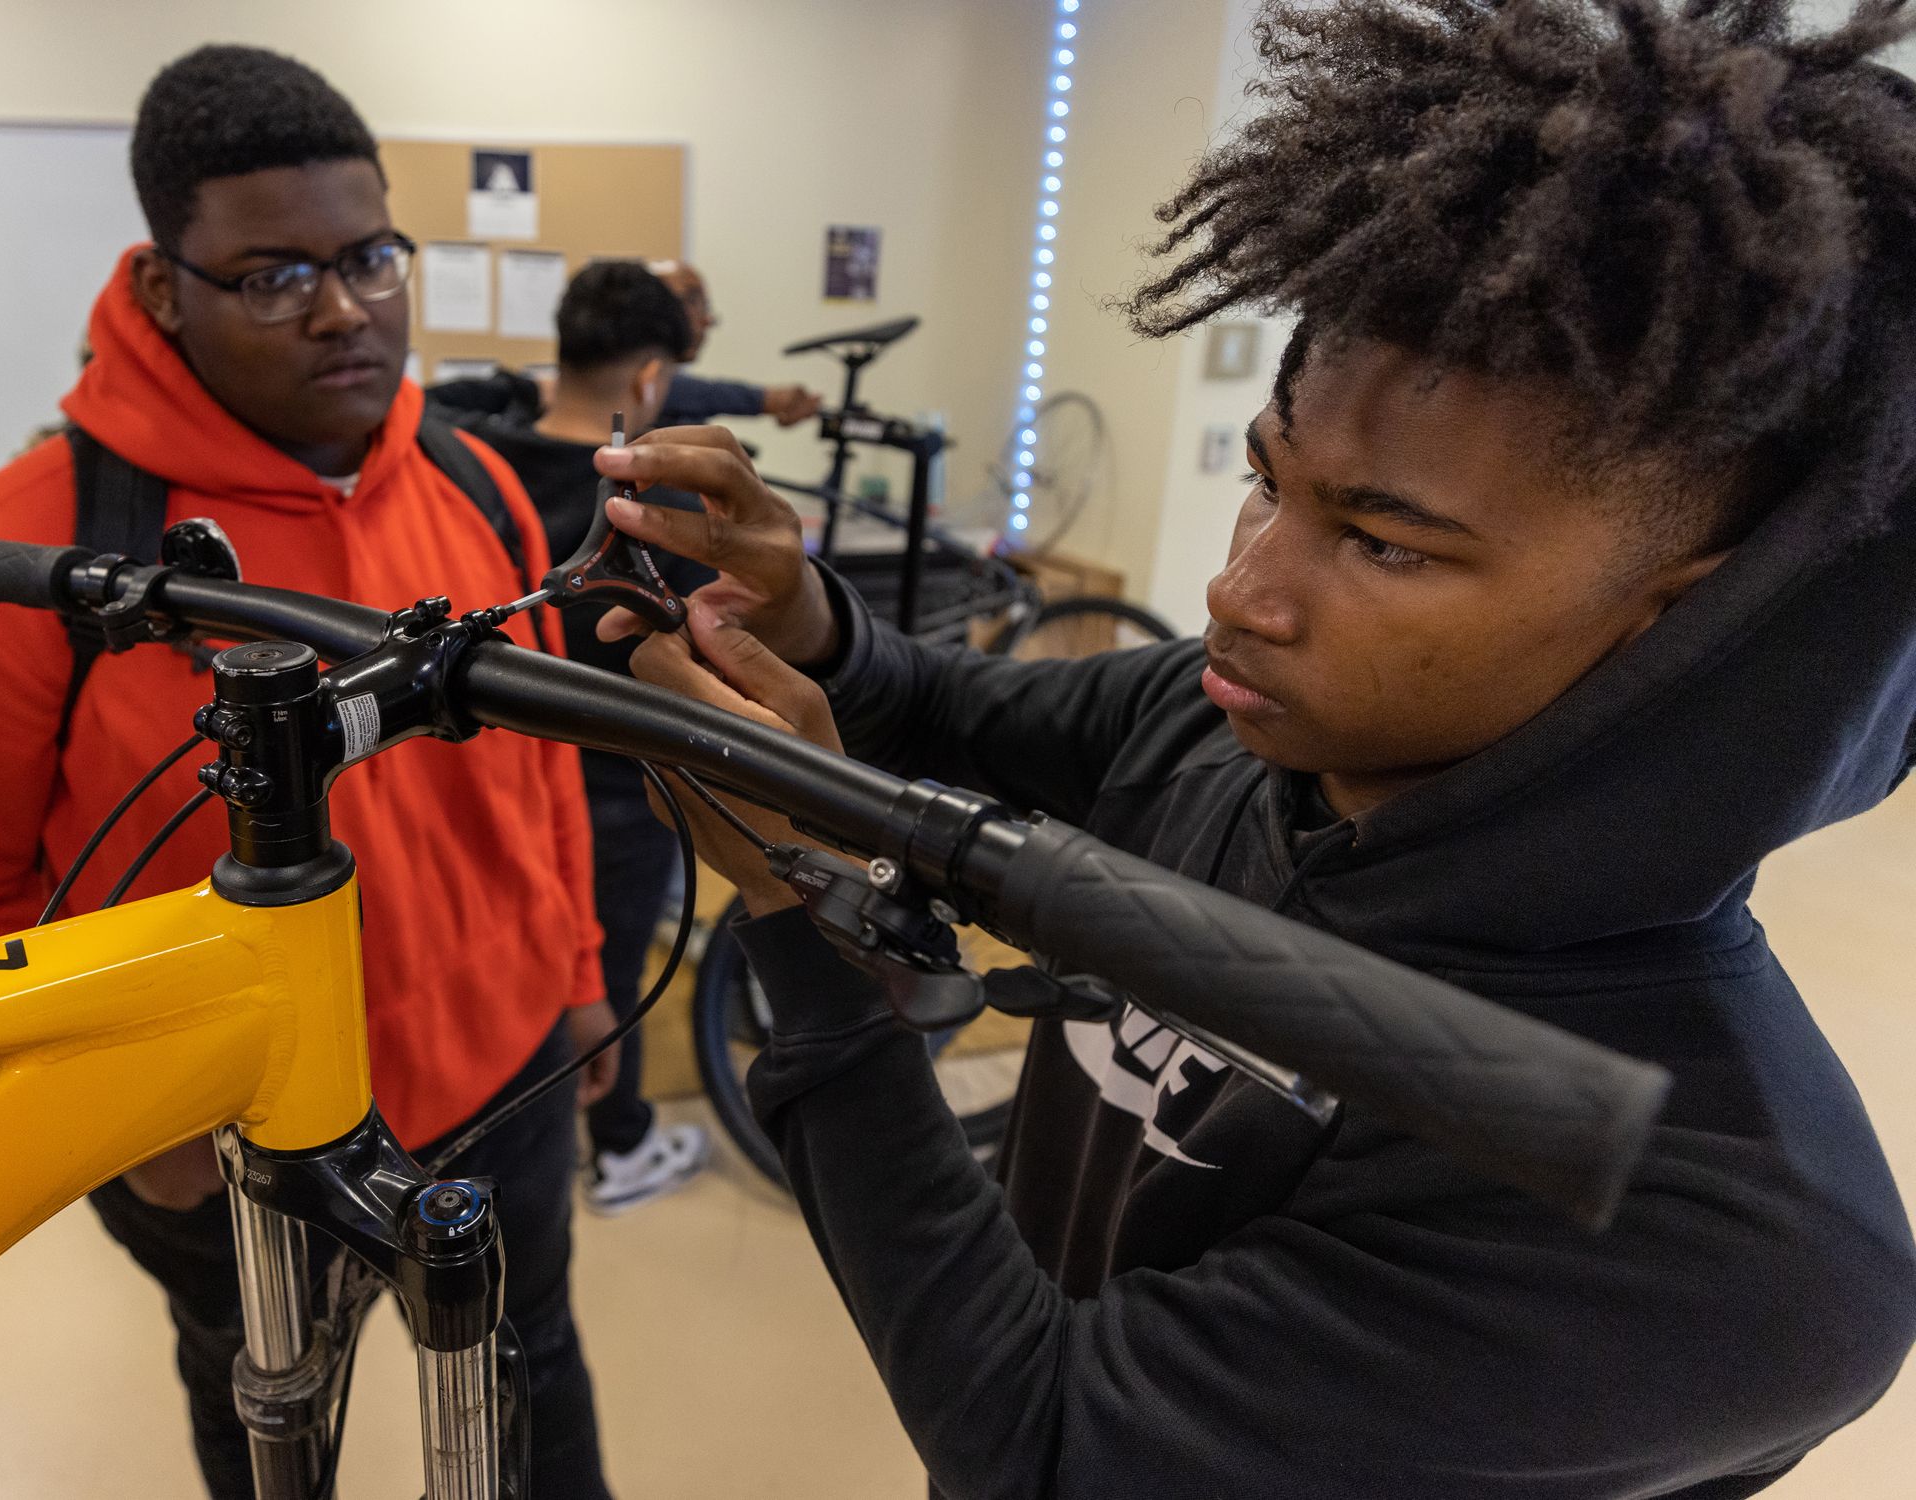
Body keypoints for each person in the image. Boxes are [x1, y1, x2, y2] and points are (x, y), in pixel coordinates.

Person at [590, 2, 1916, 1495]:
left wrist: (802, 922)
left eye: (1382, 542)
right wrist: (806, 616)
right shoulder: (1236, 740)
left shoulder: (1730, 1230)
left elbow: (1046, 1449)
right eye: (1266, 479)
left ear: (1678, 624)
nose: (1242, 589)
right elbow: (940, 708)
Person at [0, 46, 621, 1500]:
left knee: (528, 1366)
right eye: (272, 275)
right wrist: (136, 1141)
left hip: (506, 1083)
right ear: (164, 284)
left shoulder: (478, 486)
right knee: (269, 1419)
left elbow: (544, 769)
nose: (345, 310)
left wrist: (578, 977)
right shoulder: (26, 554)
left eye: (369, 255)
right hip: (226, 1149)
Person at [458, 260, 715, 1213]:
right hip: (614, 781)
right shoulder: (653, 505)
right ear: (651, 377)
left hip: (482, 765)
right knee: (603, 967)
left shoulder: (472, 468)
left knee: (505, 947)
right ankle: (622, 1145)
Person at [647, 260, 821, 428]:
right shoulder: (637, 376)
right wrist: (767, 399)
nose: (707, 320)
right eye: (694, 303)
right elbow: (686, 392)